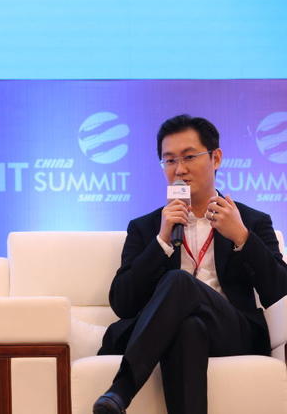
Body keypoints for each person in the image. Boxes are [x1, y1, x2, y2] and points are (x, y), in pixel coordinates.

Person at [92, 115, 287, 414]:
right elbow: (123, 303)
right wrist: (161, 241)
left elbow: (280, 291)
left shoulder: (250, 221)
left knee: (179, 281)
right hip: (171, 330)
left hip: (231, 330)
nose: (179, 169)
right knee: (188, 327)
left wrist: (242, 237)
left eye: (189, 157)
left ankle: (123, 388)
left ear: (216, 158)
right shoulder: (146, 228)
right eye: (169, 160)